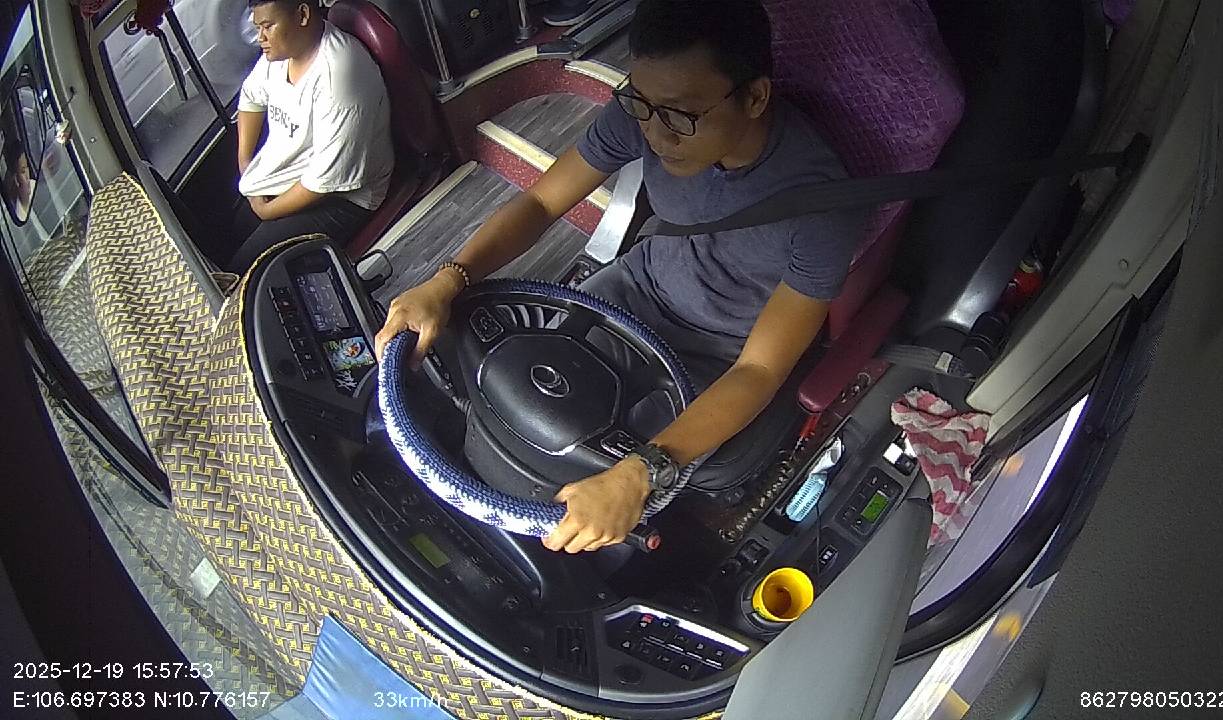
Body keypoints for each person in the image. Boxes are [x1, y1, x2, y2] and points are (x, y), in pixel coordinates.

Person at [375, 0, 865, 554]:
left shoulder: (822, 209)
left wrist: (641, 472)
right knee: (507, 384)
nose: (655, 135)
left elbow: (759, 369)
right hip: (627, 291)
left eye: (680, 115)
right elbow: (540, 202)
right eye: (641, 103)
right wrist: (448, 280)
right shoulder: (649, 113)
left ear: (754, 97)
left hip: (717, 356)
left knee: (589, 481)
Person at [230, 0, 394, 273]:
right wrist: (246, 164)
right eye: (257, 28)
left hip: (344, 197)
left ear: (303, 15)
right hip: (295, 175)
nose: (260, 38)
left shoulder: (338, 72)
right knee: (235, 229)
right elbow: (251, 98)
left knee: (245, 269)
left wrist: (266, 211)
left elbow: (325, 181)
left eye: (268, 26)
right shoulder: (282, 55)